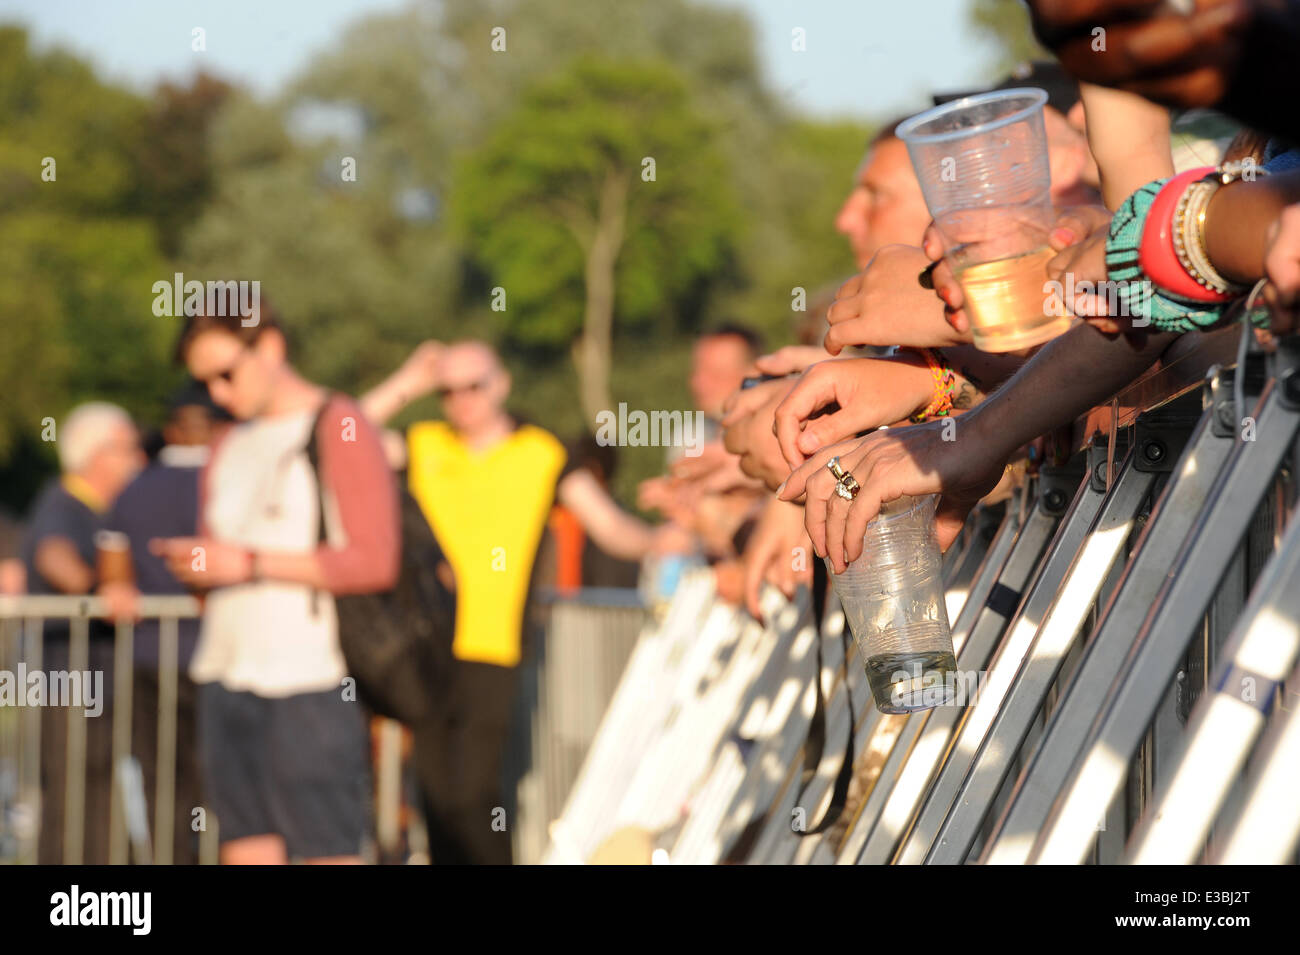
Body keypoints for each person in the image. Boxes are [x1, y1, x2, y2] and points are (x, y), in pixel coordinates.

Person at [154, 298, 400, 865]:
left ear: (269, 346)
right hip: (223, 673)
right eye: (203, 381)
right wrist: (201, 568)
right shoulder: (227, 444)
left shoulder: (338, 422)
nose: (216, 393)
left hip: (310, 680)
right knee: (243, 845)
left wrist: (247, 563)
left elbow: (374, 559)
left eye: (225, 373)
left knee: (327, 850)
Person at [97, 382, 229, 865]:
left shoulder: (135, 488)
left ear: (170, 430)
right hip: (219, 661)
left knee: (161, 781)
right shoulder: (229, 482)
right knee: (223, 784)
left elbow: (112, 568)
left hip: (151, 658)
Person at [21, 401, 144, 864]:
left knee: (101, 795)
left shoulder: (104, 508)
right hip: (69, 680)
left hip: (97, 681)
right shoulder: (65, 500)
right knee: (72, 801)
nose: (137, 458)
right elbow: (54, 556)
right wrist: (98, 591)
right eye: (127, 448)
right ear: (96, 456)